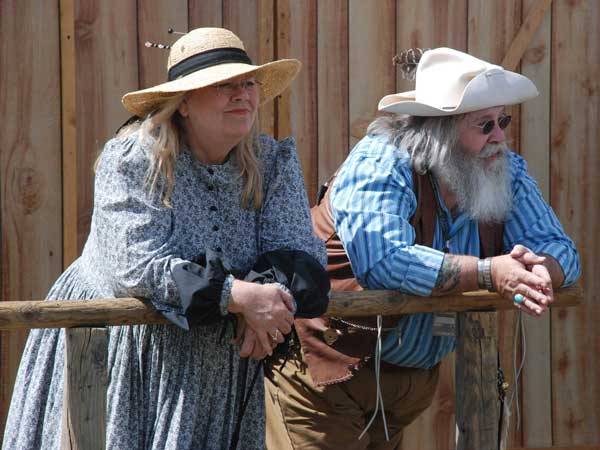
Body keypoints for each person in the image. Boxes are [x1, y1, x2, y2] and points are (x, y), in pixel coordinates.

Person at [3, 27, 329, 450]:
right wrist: (240, 297)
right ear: (185, 103)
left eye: (247, 83)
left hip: (224, 364)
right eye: (222, 85)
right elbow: (136, 266)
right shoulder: (135, 158)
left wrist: (268, 305)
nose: (241, 94)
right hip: (126, 349)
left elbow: (301, 255)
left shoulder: (271, 162)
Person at [265, 47, 581, 450]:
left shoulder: (505, 168)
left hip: (406, 390)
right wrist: (489, 273)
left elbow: (562, 249)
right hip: (322, 379)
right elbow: (383, 260)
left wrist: (538, 271)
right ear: (440, 131)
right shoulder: (381, 160)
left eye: (504, 120)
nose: (499, 136)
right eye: (484, 124)